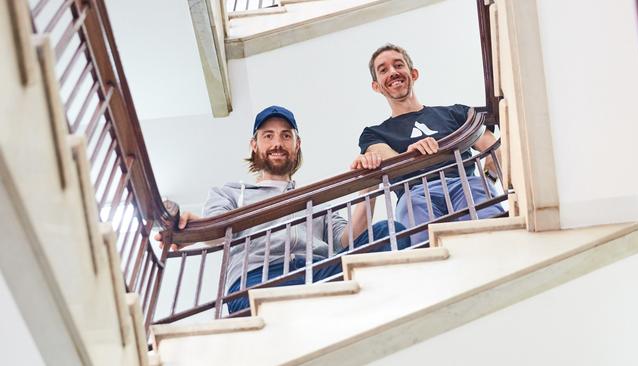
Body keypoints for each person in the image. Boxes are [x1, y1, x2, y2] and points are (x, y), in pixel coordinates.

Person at [158, 105, 410, 314]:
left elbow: (346, 241)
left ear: (296, 144)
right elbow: (215, 232)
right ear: (254, 144)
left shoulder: (317, 199)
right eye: (268, 136)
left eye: (285, 136)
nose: (277, 143)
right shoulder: (229, 193)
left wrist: (367, 185)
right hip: (257, 282)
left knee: (390, 230)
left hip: (318, 273)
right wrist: (193, 228)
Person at [355, 44, 504, 245]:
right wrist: (411, 154)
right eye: (383, 70)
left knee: (494, 235)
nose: (392, 72)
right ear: (376, 86)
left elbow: (493, 147)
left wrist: (488, 178)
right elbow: (388, 160)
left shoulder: (456, 113)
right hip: (415, 194)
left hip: (465, 183)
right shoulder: (374, 133)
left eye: (398, 65)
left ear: (413, 73)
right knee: (427, 248)